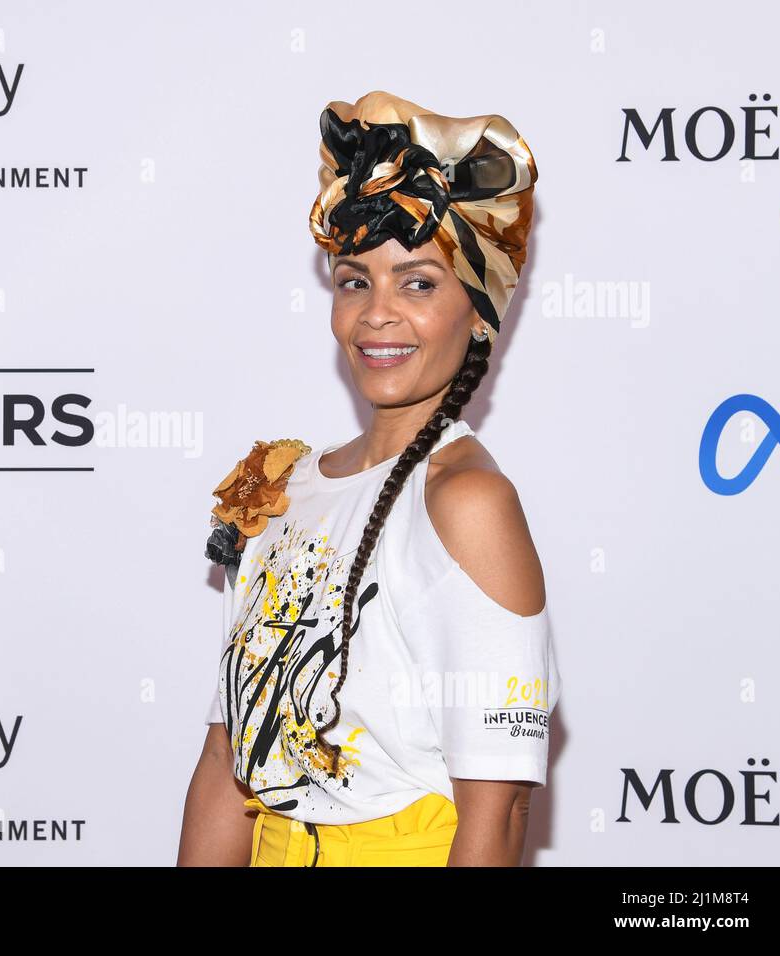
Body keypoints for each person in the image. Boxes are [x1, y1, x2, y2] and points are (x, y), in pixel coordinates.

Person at [177, 90, 562, 867]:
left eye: (419, 283)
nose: (378, 314)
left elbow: (500, 812)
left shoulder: (468, 503)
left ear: (479, 311)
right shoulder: (279, 489)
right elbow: (227, 766)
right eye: (356, 281)